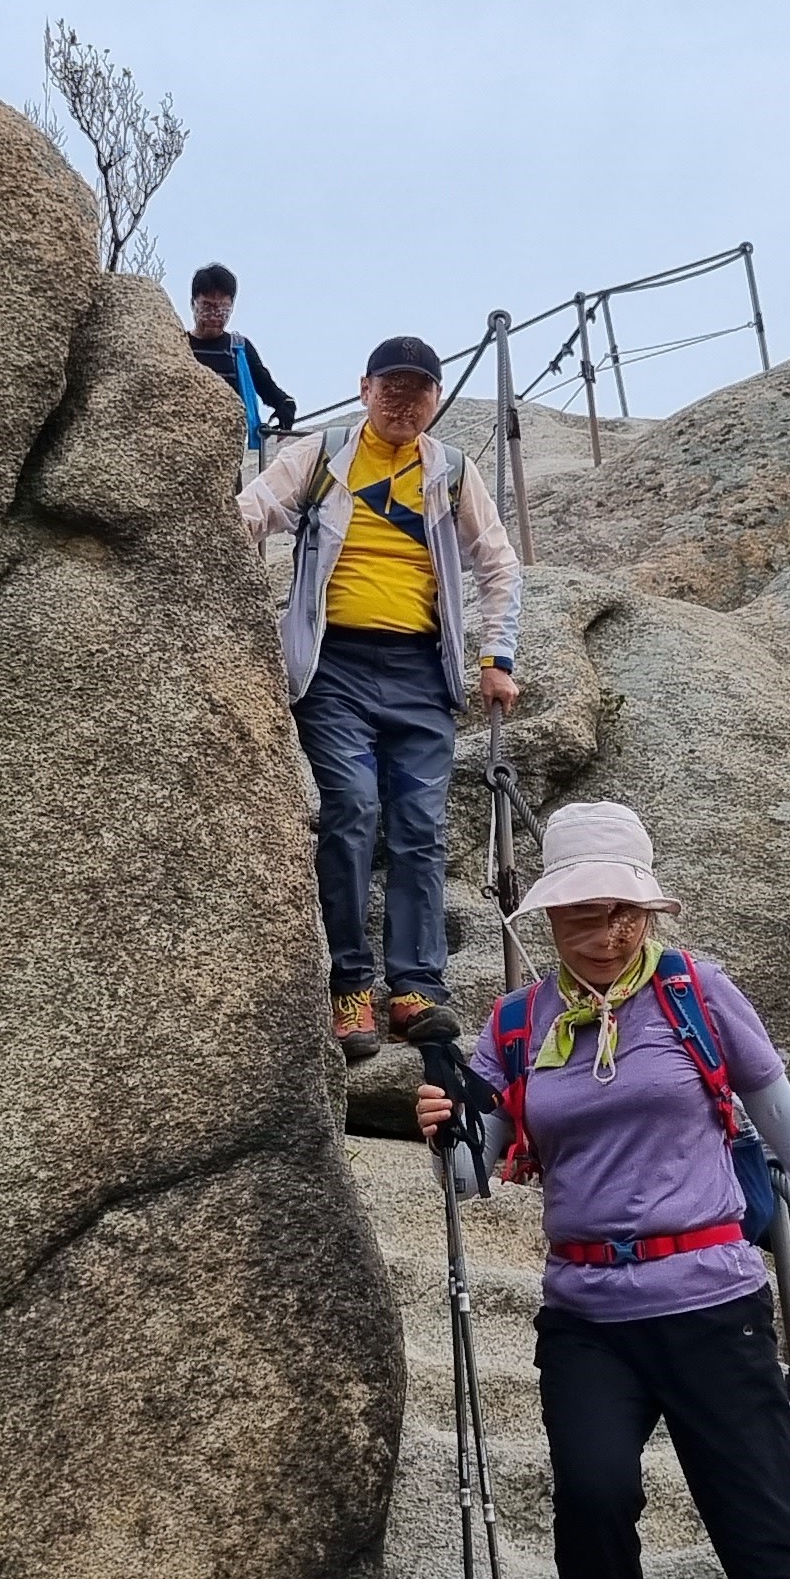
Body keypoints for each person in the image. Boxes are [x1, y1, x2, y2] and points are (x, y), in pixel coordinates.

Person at [415, 801, 790, 1579]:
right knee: (593, 1513)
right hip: (586, 1319)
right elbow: (468, 1179)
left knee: (763, 1539)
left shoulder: (696, 991)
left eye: (626, 913)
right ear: (551, 919)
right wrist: (447, 1127)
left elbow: (782, 1119)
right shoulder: (519, 1023)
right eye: (583, 915)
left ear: (649, 910)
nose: (608, 934)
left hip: (712, 1307)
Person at [236, 335, 523, 1059]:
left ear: (435, 397)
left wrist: (496, 658)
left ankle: (418, 988)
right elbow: (252, 513)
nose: (402, 401)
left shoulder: (452, 471)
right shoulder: (322, 455)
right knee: (353, 812)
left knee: (421, 827)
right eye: (390, 387)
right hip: (334, 669)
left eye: (418, 390)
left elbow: (499, 564)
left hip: (421, 673)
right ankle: (350, 986)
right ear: (363, 388)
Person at [183, 263, 299, 454]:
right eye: (207, 308)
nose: (214, 316)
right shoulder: (179, 344)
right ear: (193, 304)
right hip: (183, 443)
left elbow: (267, 387)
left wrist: (286, 405)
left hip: (223, 453)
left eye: (222, 309)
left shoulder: (238, 349)